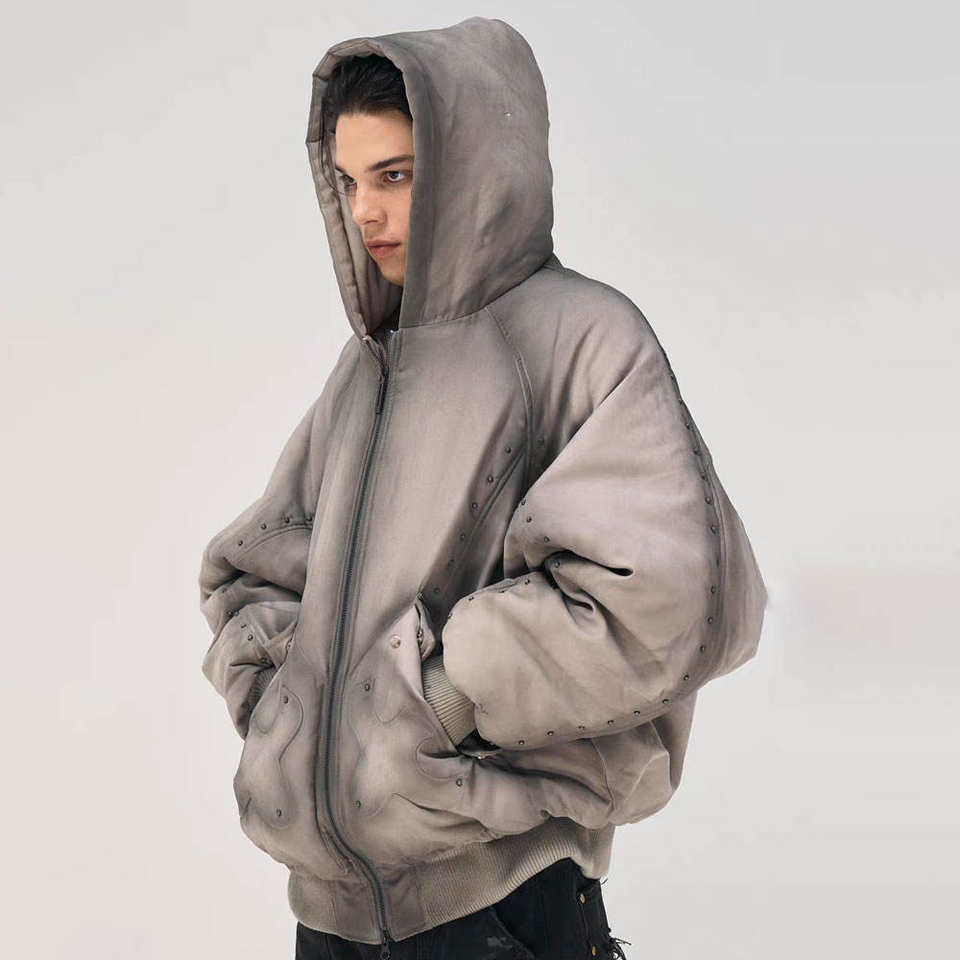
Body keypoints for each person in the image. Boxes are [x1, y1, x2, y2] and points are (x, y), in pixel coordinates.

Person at [198, 16, 768, 960]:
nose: (364, 213)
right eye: (348, 181)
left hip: (500, 907)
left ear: (474, 169)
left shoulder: (581, 340)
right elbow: (257, 568)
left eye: (394, 175)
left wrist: (445, 697)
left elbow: (672, 598)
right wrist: (288, 713)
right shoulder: (368, 370)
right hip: (331, 922)